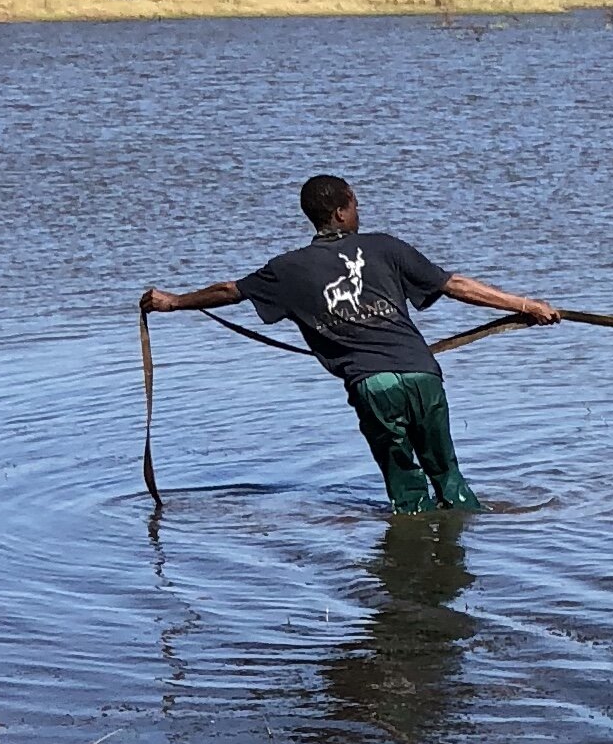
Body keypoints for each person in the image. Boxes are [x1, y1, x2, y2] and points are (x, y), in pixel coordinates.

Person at [147, 176, 557, 509]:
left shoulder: (286, 269)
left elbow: (228, 290)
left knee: (406, 489)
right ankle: (459, 546)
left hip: (373, 386)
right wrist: (527, 305)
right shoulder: (385, 247)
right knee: (448, 476)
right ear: (341, 212)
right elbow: (456, 285)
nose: (358, 212)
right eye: (355, 204)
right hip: (422, 375)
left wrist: (173, 302)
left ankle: (411, 565)